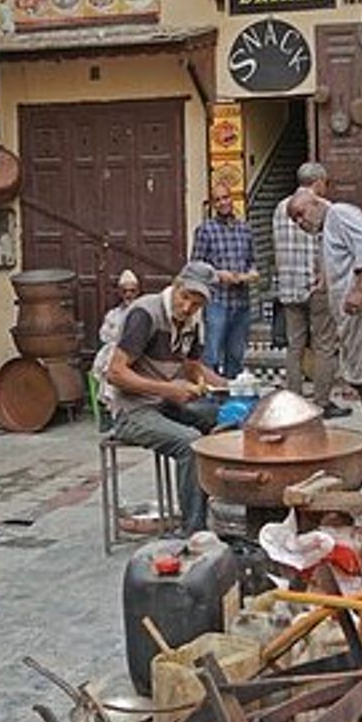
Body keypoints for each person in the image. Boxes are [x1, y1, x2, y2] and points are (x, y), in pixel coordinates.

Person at [101, 261, 230, 534]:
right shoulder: (145, 314)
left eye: (195, 305)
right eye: (185, 298)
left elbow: (194, 370)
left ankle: (214, 508)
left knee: (225, 421)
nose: (187, 308)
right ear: (176, 285)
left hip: (164, 404)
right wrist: (169, 390)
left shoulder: (194, 322)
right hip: (131, 411)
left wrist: (234, 387)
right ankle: (192, 530)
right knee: (191, 444)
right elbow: (115, 373)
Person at [287, 188, 362, 458]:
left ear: (316, 203)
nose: (301, 222)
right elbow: (342, 258)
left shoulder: (340, 213)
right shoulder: (328, 226)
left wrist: (358, 289)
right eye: (295, 220)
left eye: (300, 214)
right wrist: (325, 282)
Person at [272, 163, 346, 417]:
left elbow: (276, 246)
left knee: (295, 345)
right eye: (325, 182)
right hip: (318, 284)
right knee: (324, 344)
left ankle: (294, 399)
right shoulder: (323, 208)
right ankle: (321, 402)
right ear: (318, 182)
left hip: (288, 284)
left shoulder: (280, 208)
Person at [191, 176, 258, 379]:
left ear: (232, 198)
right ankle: (209, 403)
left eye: (226, 197)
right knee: (212, 355)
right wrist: (219, 275)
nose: (223, 203)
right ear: (212, 204)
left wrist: (252, 274)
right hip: (216, 302)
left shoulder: (245, 229)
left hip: (241, 302)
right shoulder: (205, 230)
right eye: (217, 200)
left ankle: (231, 403)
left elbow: (253, 262)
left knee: (236, 356)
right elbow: (195, 267)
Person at [90, 269, 144, 383]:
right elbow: (104, 336)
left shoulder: (144, 313)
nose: (128, 295)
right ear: (120, 293)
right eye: (125, 291)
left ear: (138, 291)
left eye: (132, 291)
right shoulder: (113, 314)